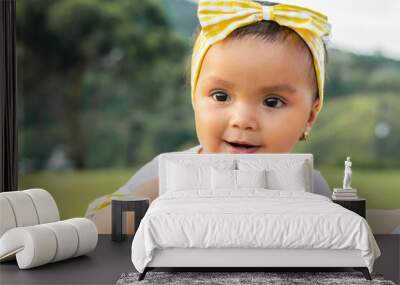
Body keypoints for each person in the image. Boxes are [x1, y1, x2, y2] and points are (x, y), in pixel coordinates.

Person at [85, 0, 333, 234]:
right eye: (221, 96)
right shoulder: (165, 172)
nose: (242, 120)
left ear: (310, 116)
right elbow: (97, 226)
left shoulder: (311, 187)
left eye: (272, 102)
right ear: (195, 99)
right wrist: (157, 193)